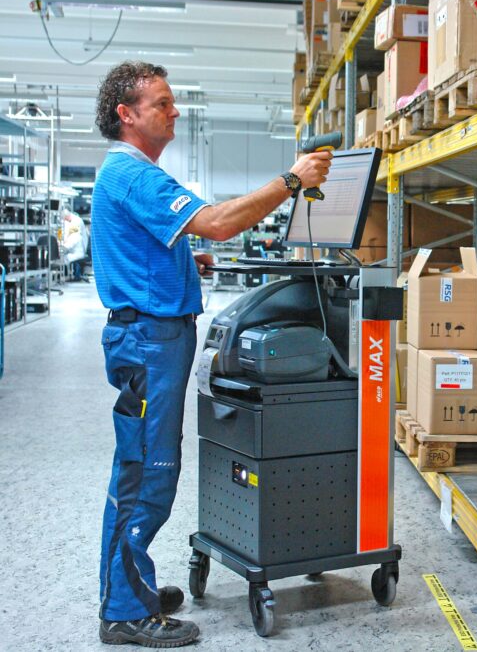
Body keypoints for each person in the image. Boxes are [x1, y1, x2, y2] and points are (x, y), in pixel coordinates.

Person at [90, 61, 331, 647]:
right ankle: (123, 611)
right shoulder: (134, 174)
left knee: (145, 468)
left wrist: (180, 262)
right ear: (127, 114)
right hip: (150, 341)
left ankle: (130, 587)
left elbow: (151, 243)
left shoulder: (130, 174)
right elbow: (219, 223)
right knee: (146, 473)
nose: (175, 112)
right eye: (163, 103)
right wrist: (291, 181)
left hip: (152, 335)